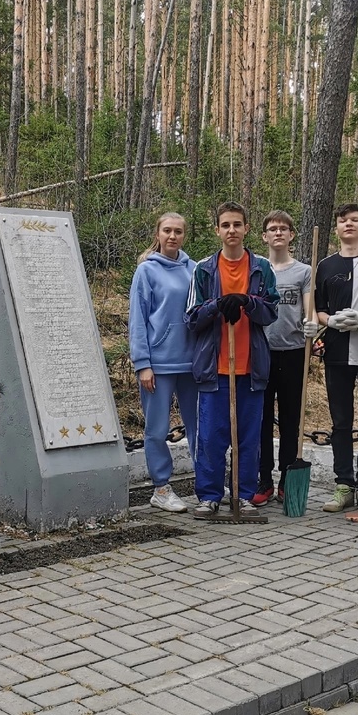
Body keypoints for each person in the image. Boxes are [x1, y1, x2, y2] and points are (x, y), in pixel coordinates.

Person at [185, 202, 280, 518]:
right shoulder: (204, 269)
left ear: (246, 229)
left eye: (237, 224)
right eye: (225, 225)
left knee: (249, 439)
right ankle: (210, 496)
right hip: (215, 367)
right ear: (217, 230)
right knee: (211, 437)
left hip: (251, 366)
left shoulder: (261, 267)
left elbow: (271, 312)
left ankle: (243, 495)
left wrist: (247, 302)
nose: (231, 231)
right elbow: (191, 317)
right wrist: (216, 307)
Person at [314, 203, 358, 512]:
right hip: (337, 351)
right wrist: (328, 321)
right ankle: (343, 483)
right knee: (341, 421)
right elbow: (318, 308)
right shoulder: (326, 266)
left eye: (355, 220)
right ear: (337, 228)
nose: (349, 225)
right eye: (343, 221)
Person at [130, 213, 200, 513]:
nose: (173, 236)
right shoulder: (146, 271)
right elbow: (138, 320)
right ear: (158, 234)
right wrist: (143, 363)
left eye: (179, 231)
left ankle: (206, 483)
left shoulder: (194, 269)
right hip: (158, 365)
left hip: (192, 363)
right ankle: (161, 488)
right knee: (157, 429)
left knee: (200, 426)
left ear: (185, 235)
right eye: (167, 231)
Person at [254, 210, 318, 505]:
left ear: (292, 235)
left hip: (293, 353)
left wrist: (313, 323)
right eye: (272, 229)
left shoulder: (304, 271)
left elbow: (310, 309)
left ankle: (286, 480)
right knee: (262, 419)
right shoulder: (257, 268)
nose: (278, 233)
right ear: (265, 236)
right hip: (262, 352)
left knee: (291, 420)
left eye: (283, 229)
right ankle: (263, 479)